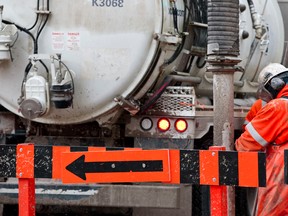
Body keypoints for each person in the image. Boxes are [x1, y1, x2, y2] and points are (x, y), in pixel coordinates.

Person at [235, 63, 288, 215]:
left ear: (275, 85)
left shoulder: (278, 107)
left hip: (282, 166)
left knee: (273, 211)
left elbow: (246, 145)